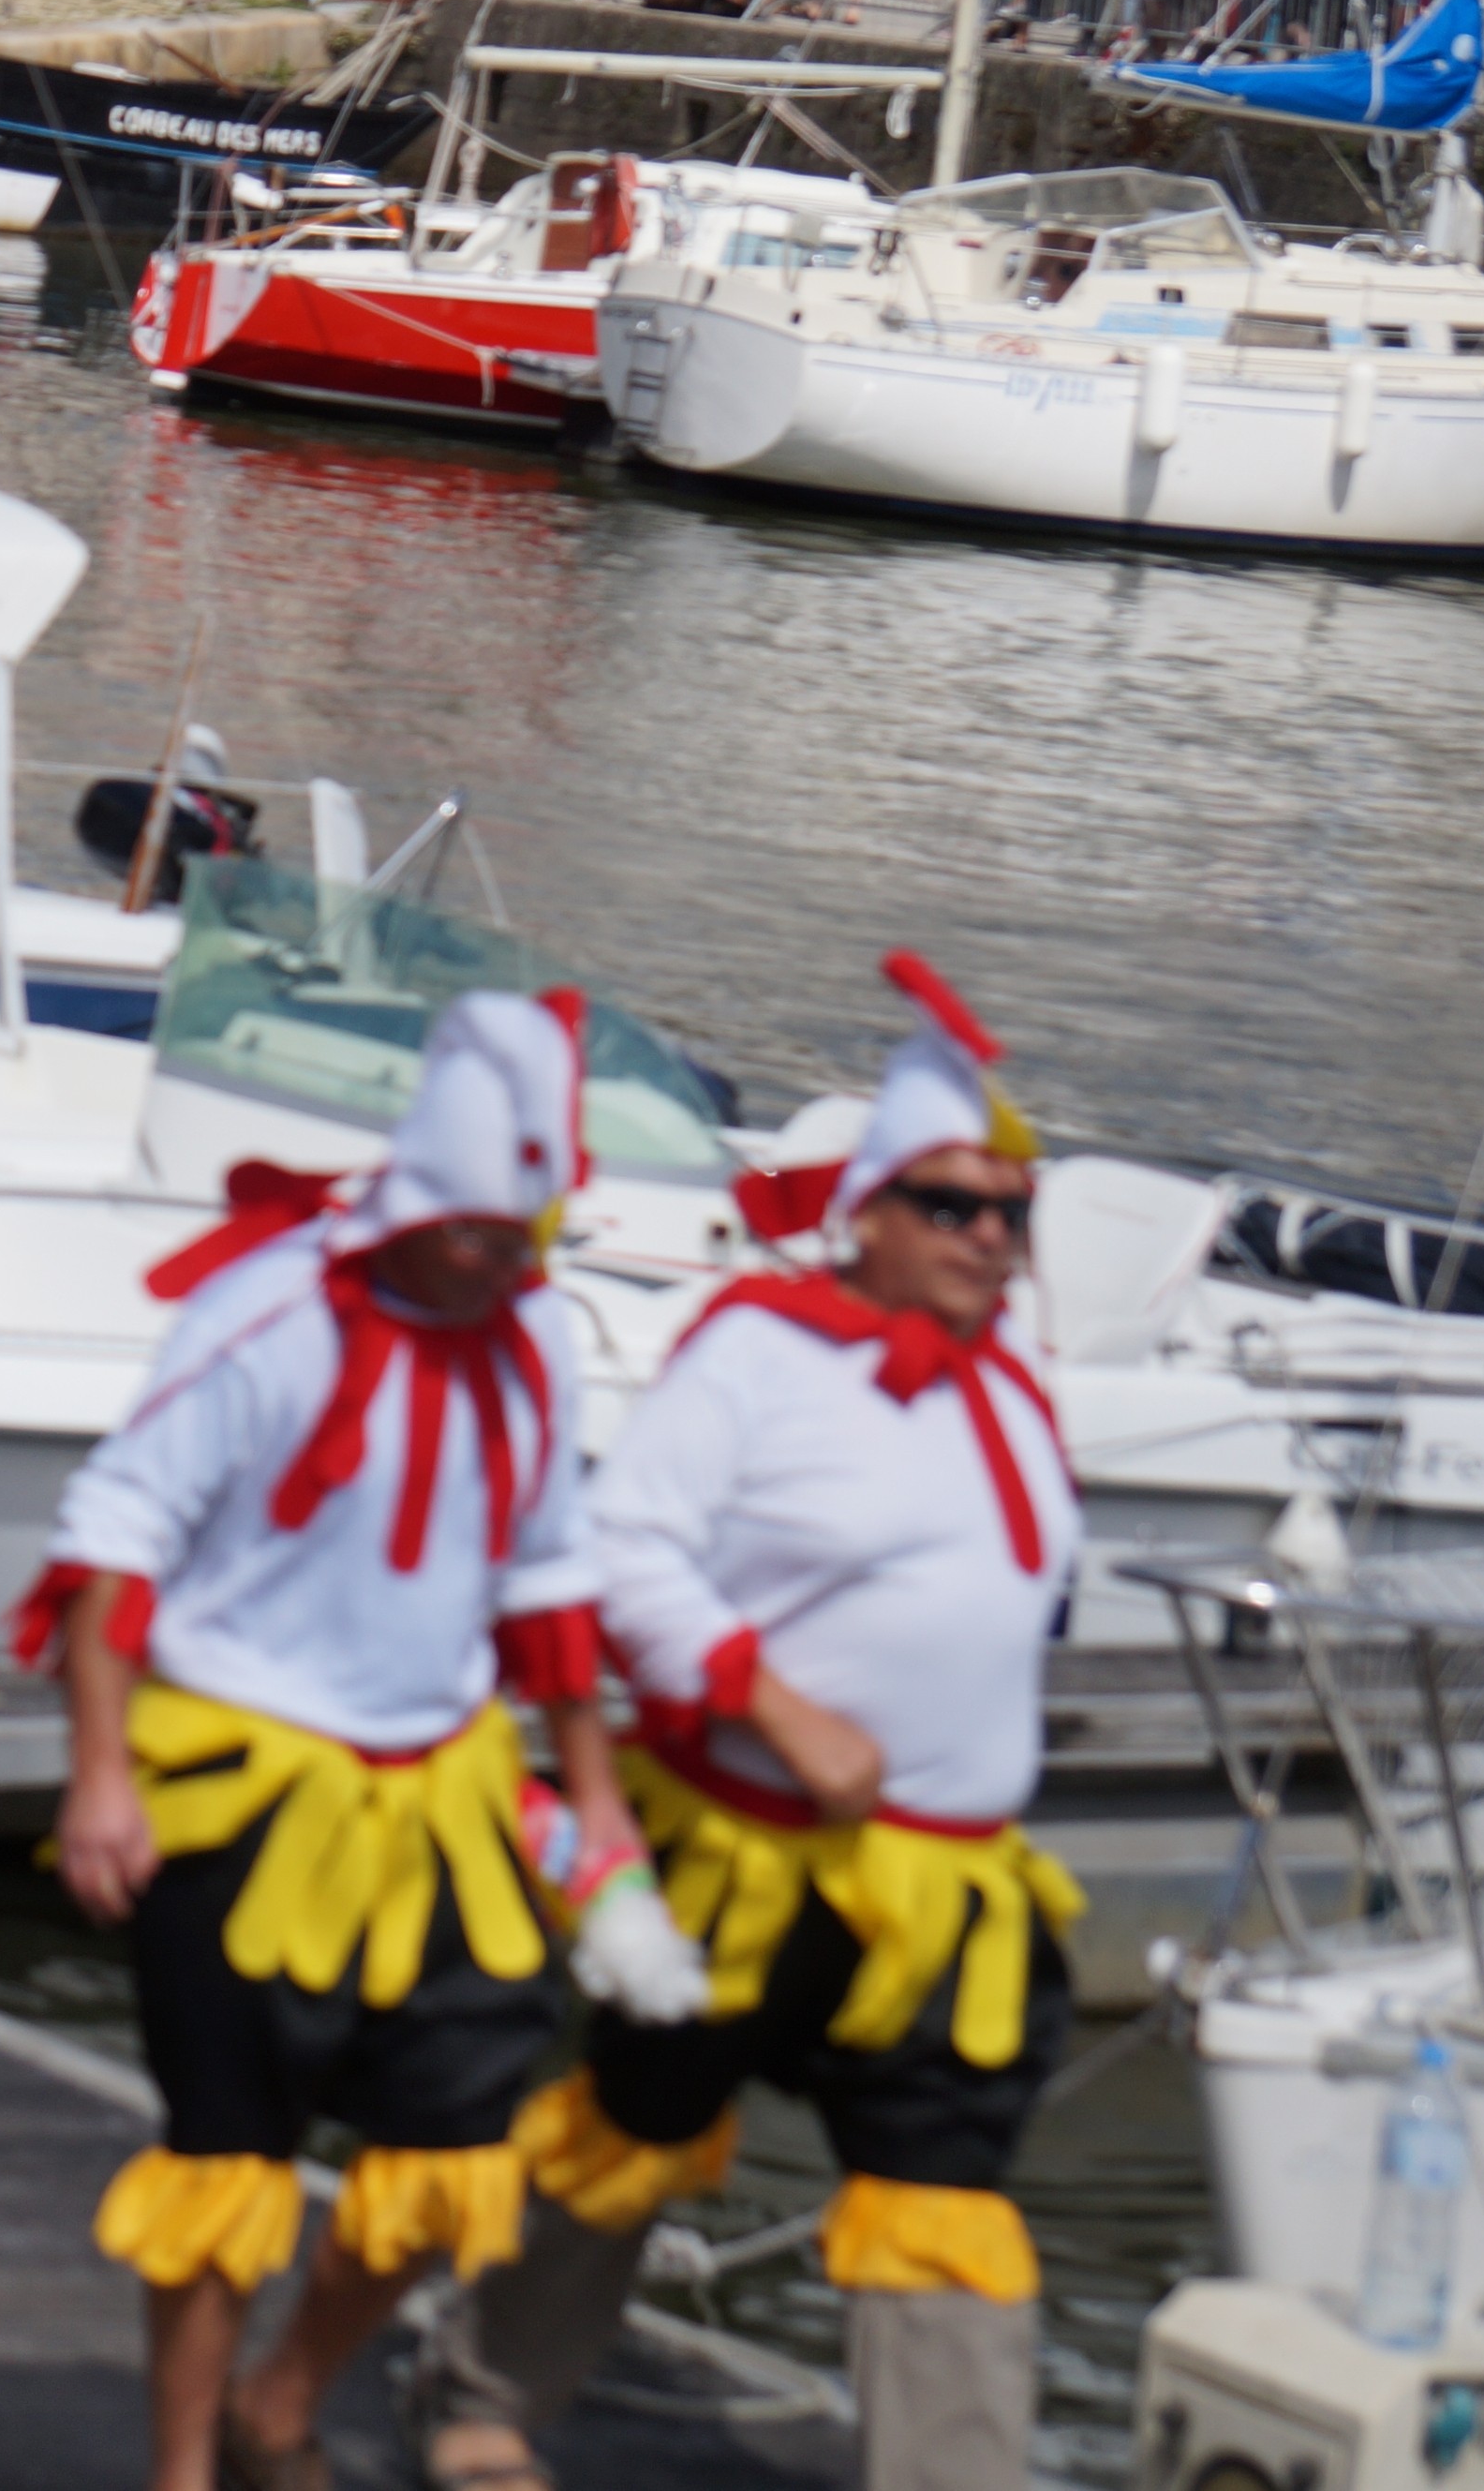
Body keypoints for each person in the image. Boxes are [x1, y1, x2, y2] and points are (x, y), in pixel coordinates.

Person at [408, 952, 1085, 2491]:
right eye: (956, 1206)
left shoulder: (1014, 1379)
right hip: (747, 1856)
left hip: (944, 1896)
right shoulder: (757, 1353)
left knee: (945, 2188)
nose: (993, 1237)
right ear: (871, 1212)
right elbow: (623, 1554)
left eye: (1012, 1212)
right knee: (632, 2130)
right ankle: (477, 2397)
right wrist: (773, 1696)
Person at [15, 992, 710, 2491]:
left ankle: (290, 2392)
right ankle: (184, 2470)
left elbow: (546, 1570)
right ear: (418, 1208)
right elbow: (114, 1537)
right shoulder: (267, 1312)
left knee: (459, 2144)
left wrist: (594, 1797)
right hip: (242, 1780)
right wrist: (100, 1769)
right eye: (478, 1233)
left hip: (438, 1789)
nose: (503, 1265)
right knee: (230, 2161)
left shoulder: (532, 1329)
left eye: (526, 1237)